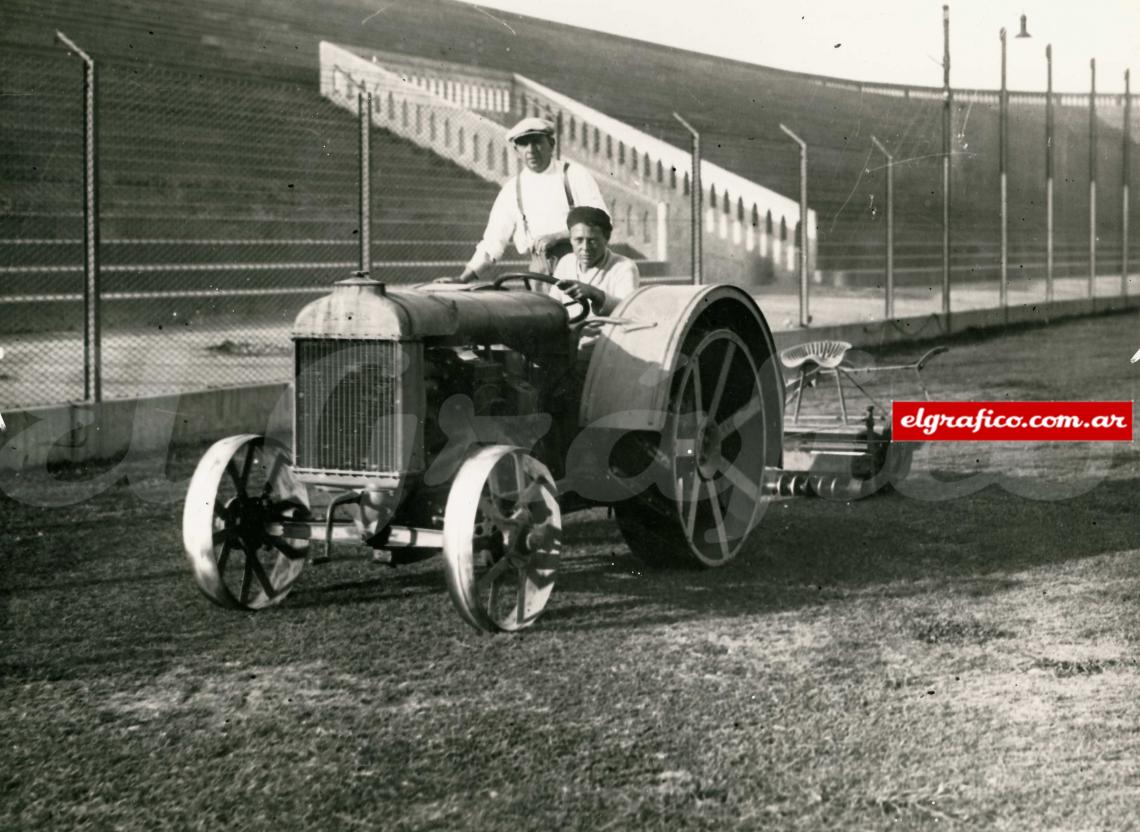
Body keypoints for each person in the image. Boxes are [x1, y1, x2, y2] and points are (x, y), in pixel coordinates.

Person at [447, 117, 608, 283]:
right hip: (540, 270)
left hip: (583, 264)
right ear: (516, 151)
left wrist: (557, 237)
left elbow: (602, 222)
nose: (531, 150)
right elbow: (492, 242)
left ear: (551, 144)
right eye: (523, 144)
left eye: (537, 142)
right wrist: (463, 278)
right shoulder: (512, 188)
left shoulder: (574, 175)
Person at [545, 206, 639, 319]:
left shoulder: (623, 267)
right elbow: (554, 304)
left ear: (606, 239)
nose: (585, 247)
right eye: (579, 240)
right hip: (568, 331)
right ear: (570, 239)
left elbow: (628, 310)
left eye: (592, 241)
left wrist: (596, 294)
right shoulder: (566, 262)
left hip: (605, 333)